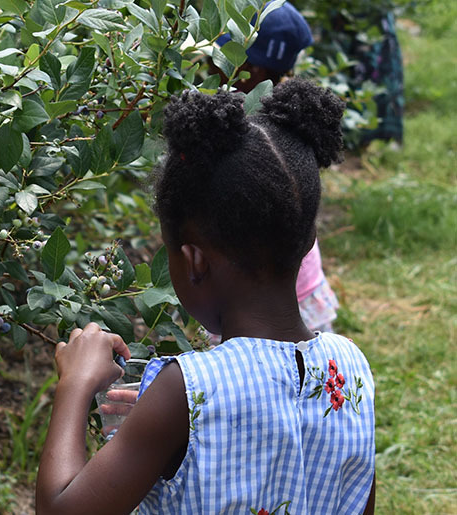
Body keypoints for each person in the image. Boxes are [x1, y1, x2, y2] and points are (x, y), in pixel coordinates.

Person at [36, 79, 375, 514]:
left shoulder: (185, 389)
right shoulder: (350, 370)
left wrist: (75, 384)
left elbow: (60, 509)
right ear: (309, 240)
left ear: (194, 262)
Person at [217, 0, 340, 334]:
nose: (212, 68)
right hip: (296, 282)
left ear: (251, 70)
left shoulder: (241, 132)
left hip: (256, 295)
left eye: (219, 59)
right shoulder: (293, 119)